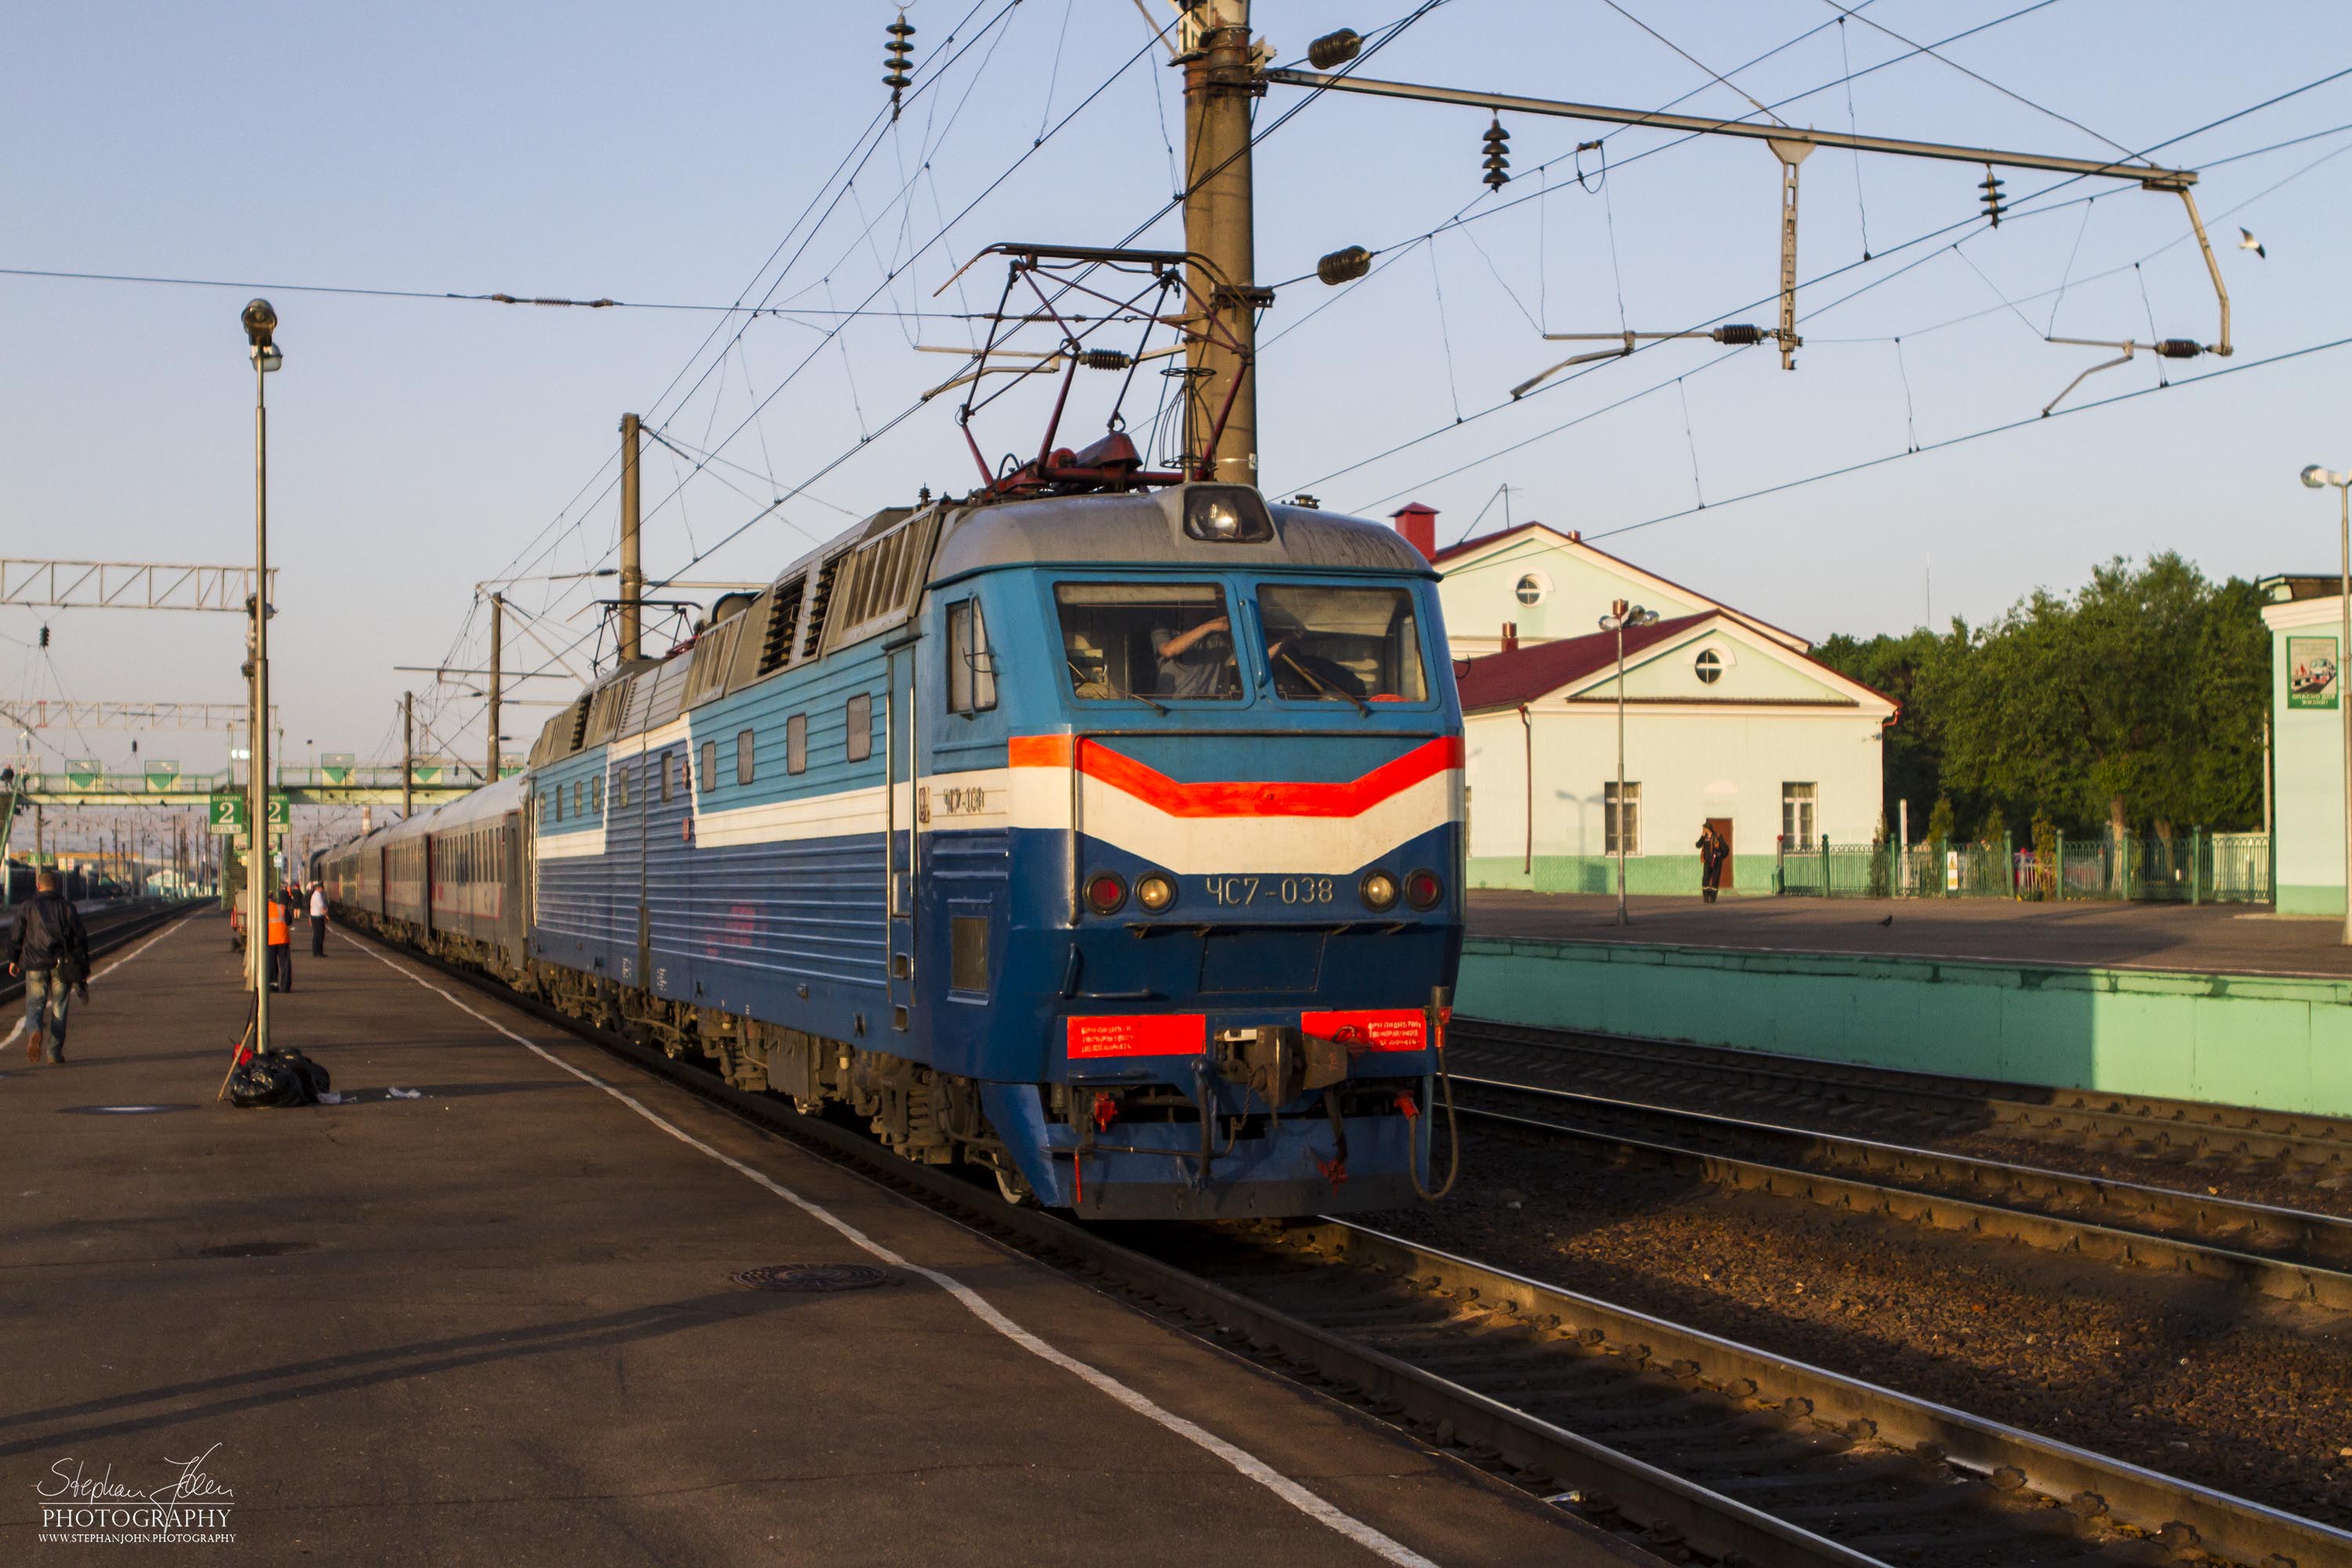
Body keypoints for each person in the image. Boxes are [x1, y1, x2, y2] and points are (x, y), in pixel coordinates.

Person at [8, 868, 91, 1065]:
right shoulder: (66, 907)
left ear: (38, 886)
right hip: (60, 965)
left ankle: (35, 1031)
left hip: (34, 964)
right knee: (59, 1008)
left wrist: (14, 959)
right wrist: (81, 963)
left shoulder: (27, 907)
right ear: (57, 887)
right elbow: (79, 938)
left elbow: (16, 935)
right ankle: (54, 1053)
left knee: (35, 1004)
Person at [1151, 615, 1238, 699]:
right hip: (1171, 707)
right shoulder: (1162, 631)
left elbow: (1235, 664)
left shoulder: (1217, 638)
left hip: (1209, 708)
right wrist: (1208, 626)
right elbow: (1168, 651)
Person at [266, 884, 294, 993]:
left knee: (272, 964)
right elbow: (289, 921)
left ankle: (273, 985)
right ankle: (286, 986)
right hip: (283, 938)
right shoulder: (281, 907)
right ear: (273, 897)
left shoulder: (262, 910)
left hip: (270, 939)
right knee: (285, 963)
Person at [1696, 823, 1729, 904]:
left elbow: (1726, 849)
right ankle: (1706, 897)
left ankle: (1712, 899)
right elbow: (1698, 845)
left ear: (1707, 828)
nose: (1703, 830)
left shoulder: (1718, 836)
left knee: (1715, 880)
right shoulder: (1705, 837)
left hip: (1717, 863)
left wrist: (1720, 857)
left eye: (1704, 828)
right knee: (1705, 879)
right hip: (1707, 862)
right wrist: (1702, 836)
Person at [308, 879, 328, 957]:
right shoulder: (317, 896)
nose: (323, 889)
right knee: (319, 935)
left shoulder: (316, 895)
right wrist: (326, 916)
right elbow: (321, 908)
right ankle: (318, 952)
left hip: (316, 917)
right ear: (319, 888)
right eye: (322, 888)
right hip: (317, 918)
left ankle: (317, 952)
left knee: (318, 935)